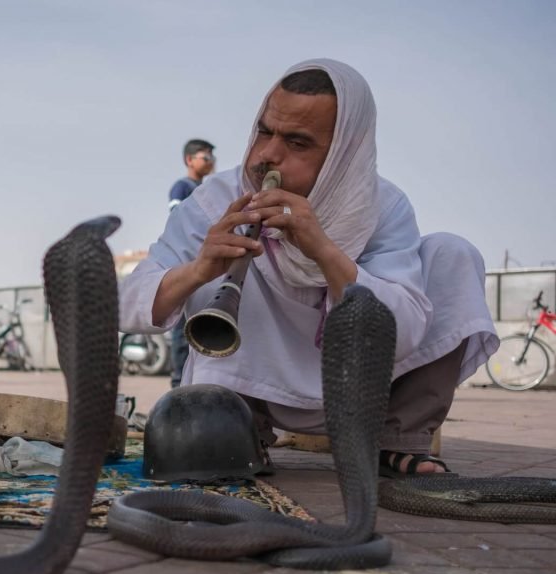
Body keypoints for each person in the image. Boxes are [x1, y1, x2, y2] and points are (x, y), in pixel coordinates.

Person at [119, 59, 498, 477]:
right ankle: (243, 432)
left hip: (364, 390)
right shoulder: (215, 200)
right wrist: (199, 269)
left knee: (453, 253)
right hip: (251, 390)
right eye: (265, 131)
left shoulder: (384, 207)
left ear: (345, 150)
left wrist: (323, 250)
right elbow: (129, 306)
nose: (267, 155)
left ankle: (398, 439)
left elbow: (404, 332)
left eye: (297, 143)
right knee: (215, 274)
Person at [168, 139, 217, 389]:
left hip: (206, 270)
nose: (210, 162)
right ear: (190, 160)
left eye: (211, 158)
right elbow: (180, 224)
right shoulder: (182, 188)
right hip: (188, 266)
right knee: (182, 329)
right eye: (205, 157)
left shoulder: (209, 191)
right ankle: (179, 386)